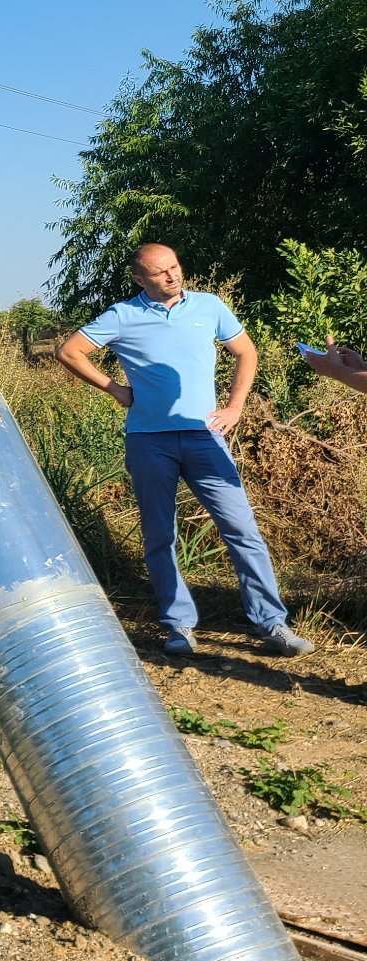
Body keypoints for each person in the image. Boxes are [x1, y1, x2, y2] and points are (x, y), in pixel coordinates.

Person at [55, 243, 313, 658]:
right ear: (140, 279)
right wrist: (116, 390)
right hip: (148, 441)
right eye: (160, 273)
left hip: (203, 436)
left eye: (175, 267)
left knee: (242, 530)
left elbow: (246, 351)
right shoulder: (122, 316)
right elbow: (68, 351)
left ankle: (272, 624)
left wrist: (235, 406)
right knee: (160, 535)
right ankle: (178, 625)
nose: (172, 276)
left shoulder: (209, 306)